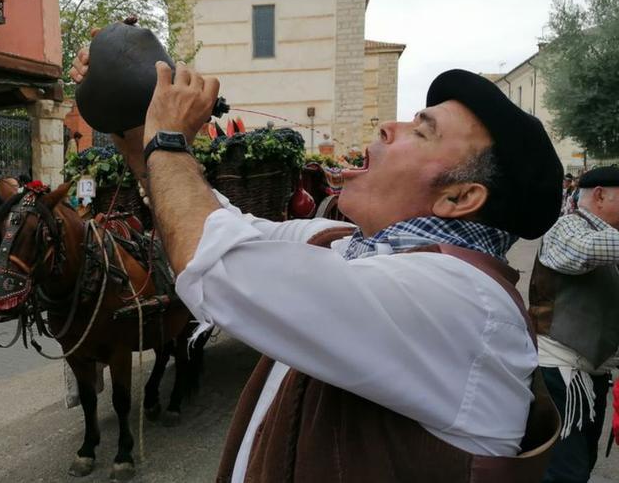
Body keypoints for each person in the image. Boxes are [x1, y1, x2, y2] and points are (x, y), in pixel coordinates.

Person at [72, 49, 564, 480]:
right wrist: (134, 119)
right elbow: (218, 223)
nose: (387, 126)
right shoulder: (346, 244)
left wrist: (170, 141)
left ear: (459, 197)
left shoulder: (463, 302)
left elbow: (217, 262)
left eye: (420, 130)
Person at [528, 165, 619, 483]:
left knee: (578, 466)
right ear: (599, 195)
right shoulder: (567, 227)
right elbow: (582, 251)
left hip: (589, 376)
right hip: (558, 373)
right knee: (565, 472)